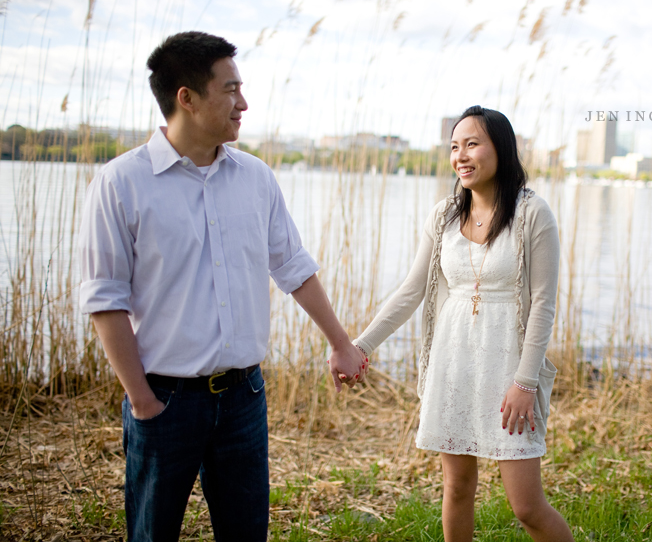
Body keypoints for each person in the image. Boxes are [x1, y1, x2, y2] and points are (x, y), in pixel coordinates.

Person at [78, 31, 366, 542]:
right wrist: (142, 401)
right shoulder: (121, 183)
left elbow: (293, 266)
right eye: (230, 89)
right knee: (152, 534)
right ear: (186, 98)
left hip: (243, 398)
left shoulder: (256, 177)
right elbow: (106, 300)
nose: (244, 103)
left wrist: (340, 344)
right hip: (164, 401)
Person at [353, 106, 574, 541]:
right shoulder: (444, 216)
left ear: (501, 148)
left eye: (472, 143)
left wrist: (525, 382)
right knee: (456, 488)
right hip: (453, 365)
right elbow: (412, 290)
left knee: (526, 506)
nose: (461, 155)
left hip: (510, 370)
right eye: (455, 146)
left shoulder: (533, 214)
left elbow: (544, 303)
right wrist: (361, 345)